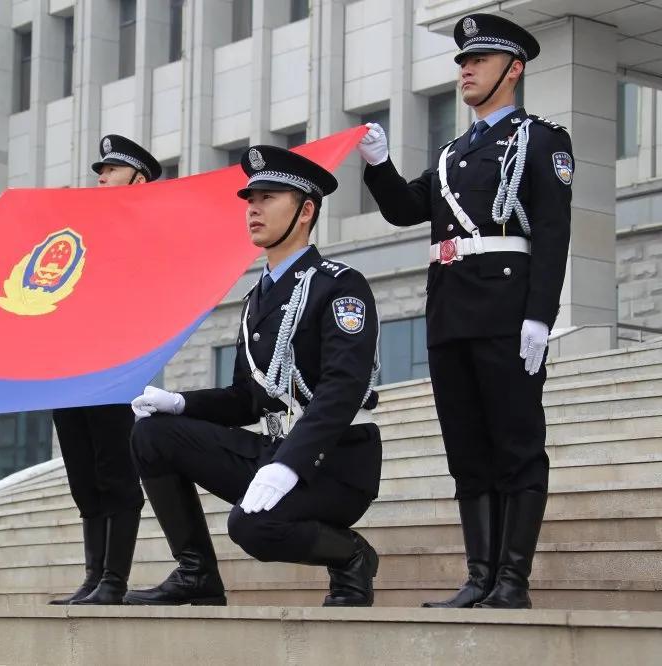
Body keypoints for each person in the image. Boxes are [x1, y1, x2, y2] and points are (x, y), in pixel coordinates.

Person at [358, 13, 572, 609]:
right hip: (450, 314)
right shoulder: (453, 153)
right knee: (468, 452)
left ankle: (511, 582)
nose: (466, 70)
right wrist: (378, 164)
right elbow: (406, 210)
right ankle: (479, 577)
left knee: (516, 445)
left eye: (478, 60)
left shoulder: (542, 139)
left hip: (506, 313)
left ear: (514, 68)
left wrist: (539, 316)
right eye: (462, 62)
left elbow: (552, 232)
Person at [123, 145, 382, 607]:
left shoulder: (340, 284)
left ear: (305, 211)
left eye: (268, 197)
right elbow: (248, 399)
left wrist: (289, 464)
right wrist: (181, 403)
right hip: (276, 448)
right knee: (153, 435)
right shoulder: (256, 299)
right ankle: (197, 572)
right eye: (250, 198)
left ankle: (351, 557)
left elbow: (341, 391)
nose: (254, 208)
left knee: (252, 526)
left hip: (335, 464)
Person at [48, 134, 162, 605]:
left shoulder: (149, 234)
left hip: (115, 369)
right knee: (82, 473)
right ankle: (93, 576)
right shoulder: (82, 233)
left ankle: (114, 578)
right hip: (69, 365)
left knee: (114, 469)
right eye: (101, 170)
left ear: (138, 178)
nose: (101, 177)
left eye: (111, 170)